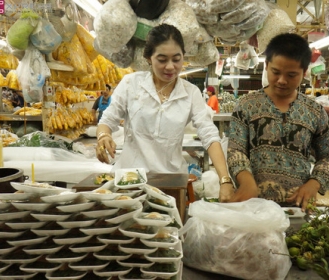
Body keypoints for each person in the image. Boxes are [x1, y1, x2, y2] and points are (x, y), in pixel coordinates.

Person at [95, 24, 234, 201]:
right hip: (129, 181)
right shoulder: (131, 84)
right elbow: (107, 120)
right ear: (148, 58)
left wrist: (225, 180)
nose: (170, 67)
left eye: (177, 59)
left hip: (171, 183)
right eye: (162, 59)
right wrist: (103, 137)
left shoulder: (190, 93)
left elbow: (210, 135)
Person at [226, 33, 329, 211]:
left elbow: (328, 157)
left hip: (297, 209)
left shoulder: (315, 111)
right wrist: (245, 180)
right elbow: (235, 150)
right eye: (275, 72)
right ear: (266, 65)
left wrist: (314, 183)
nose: (282, 80)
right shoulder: (246, 105)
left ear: (304, 72)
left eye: (292, 75)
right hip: (252, 207)